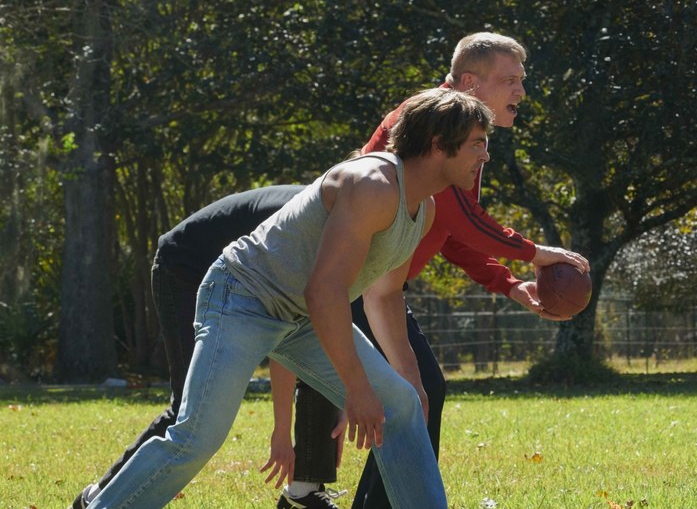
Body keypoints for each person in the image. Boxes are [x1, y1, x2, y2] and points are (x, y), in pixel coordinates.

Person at [85, 88, 493, 509]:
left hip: (299, 316)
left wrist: (411, 381)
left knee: (403, 407)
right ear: (438, 145)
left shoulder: (422, 210)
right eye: (477, 144)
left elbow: (385, 294)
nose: (485, 156)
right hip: (241, 297)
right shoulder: (372, 186)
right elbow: (324, 291)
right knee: (196, 438)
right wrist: (356, 388)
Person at [276, 32, 590, 509]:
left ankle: (307, 494)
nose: (521, 93)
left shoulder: (467, 137)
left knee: (404, 390)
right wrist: (534, 253)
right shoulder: (430, 124)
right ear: (468, 82)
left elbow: (451, 231)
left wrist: (509, 285)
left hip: (377, 285)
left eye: (521, 81)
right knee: (404, 391)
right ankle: (316, 493)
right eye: (510, 81)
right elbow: (463, 220)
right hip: (350, 281)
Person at [69, 184, 338, 509]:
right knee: (189, 411)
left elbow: (300, 336)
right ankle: (97, 498)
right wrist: (281, 432)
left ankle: (304, 491)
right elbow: (285, 339)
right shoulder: (317, 225)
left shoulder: (341, 219)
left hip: (228, 275)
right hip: (183, 267)